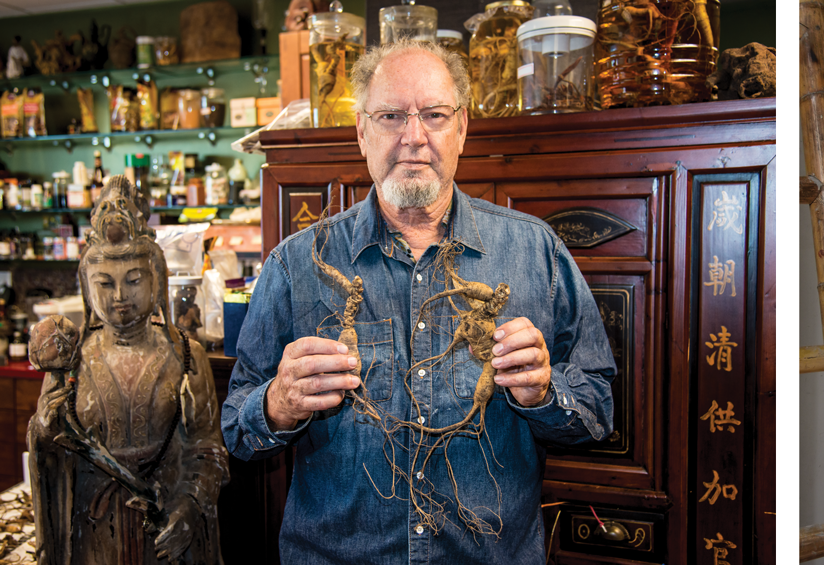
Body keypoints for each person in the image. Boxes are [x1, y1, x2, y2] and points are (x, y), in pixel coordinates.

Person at [221, 39, 615, 563]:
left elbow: (598, 410)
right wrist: (276, 405)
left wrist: (545, 392)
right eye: (390, 116)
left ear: (462, 128)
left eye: (433, 114)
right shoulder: (296, 265)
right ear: (362, 131)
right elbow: (235, 430)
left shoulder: (537, 251)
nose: (414, 137)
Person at [28, 176, 228, 564]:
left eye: (134, 280)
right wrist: (44, 429)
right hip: (94, 530)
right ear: (86, 287)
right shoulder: (73, 360)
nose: (119, 297)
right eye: (104, 283)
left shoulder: (187, 355)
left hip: (164, 519)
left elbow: (208, 448)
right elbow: (47, 447)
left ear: (157, 281)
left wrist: (188, 507)